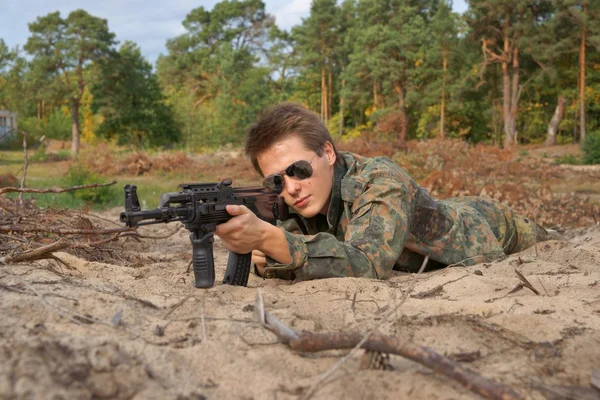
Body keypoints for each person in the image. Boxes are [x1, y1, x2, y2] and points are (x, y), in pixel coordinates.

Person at [214, 102, 560, 281]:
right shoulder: (292, 198)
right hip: (427, 229)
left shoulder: (380, 180)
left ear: (329, 153)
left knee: (555, 240)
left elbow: (367, 263)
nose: (290, 188)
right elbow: (301, 251)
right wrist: (264, 256)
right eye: (276, 180)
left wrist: (270, 241)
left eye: (299, 170)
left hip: (489, 228)